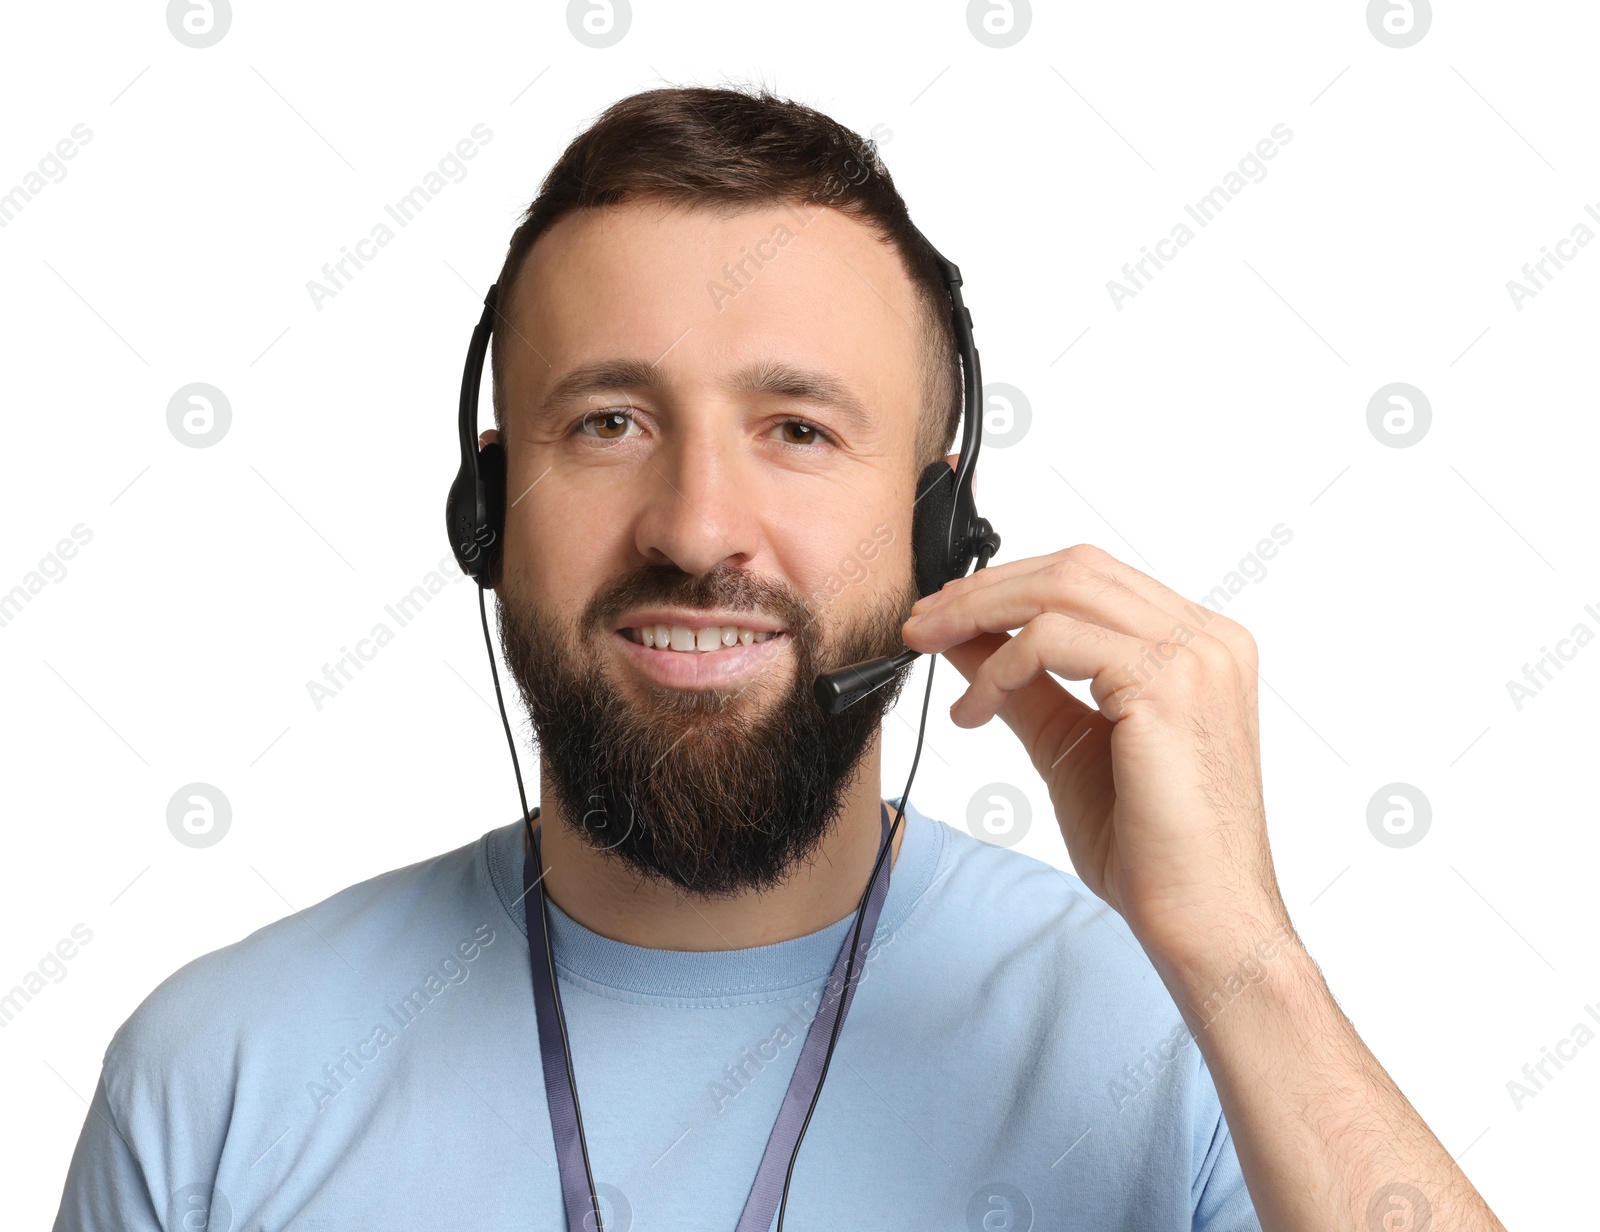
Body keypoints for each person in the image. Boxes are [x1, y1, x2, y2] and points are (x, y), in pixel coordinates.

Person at [53, 85, 1504, 1232]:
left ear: (942, 530)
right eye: (609, 421)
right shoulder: (216, 1081)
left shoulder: (1184, 1047)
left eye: (797, 430)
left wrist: (1244, 958)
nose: (696, 527)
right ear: (490, 508)